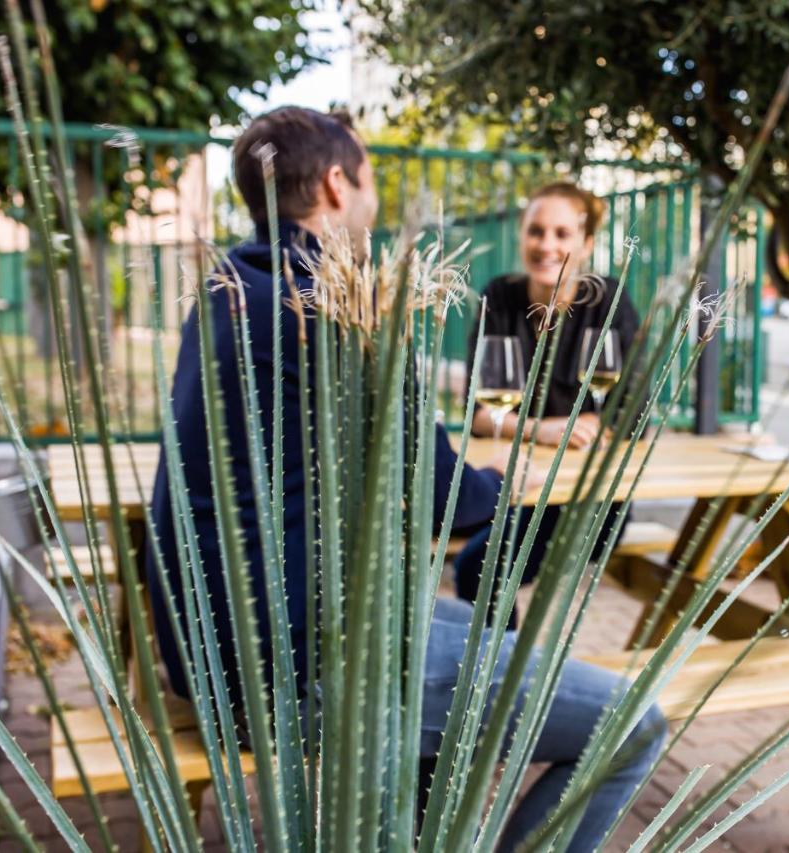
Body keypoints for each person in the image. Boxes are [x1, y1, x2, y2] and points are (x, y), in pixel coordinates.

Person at [145, 107, 663, 851]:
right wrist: (499, 480)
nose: (374, 200)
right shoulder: (332, 304)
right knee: (633, 724)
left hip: (210, 657)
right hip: (295, 672)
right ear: (336, 184)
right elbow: (442, 500)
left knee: (486, 627)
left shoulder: (227, 290)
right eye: (369, 179)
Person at [455, 183, 641, 625]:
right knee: (438, 531)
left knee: (477, 567)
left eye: (562, 233)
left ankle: (499, 667)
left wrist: (592, 426)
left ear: (586, 243)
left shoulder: (608, 301)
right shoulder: (499, 296)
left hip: (587, 497)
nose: (546, 245)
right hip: (515, 485)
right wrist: (545, 430)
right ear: (521, 235)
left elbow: (632, 413)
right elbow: (475, 414)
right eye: (536, 231)